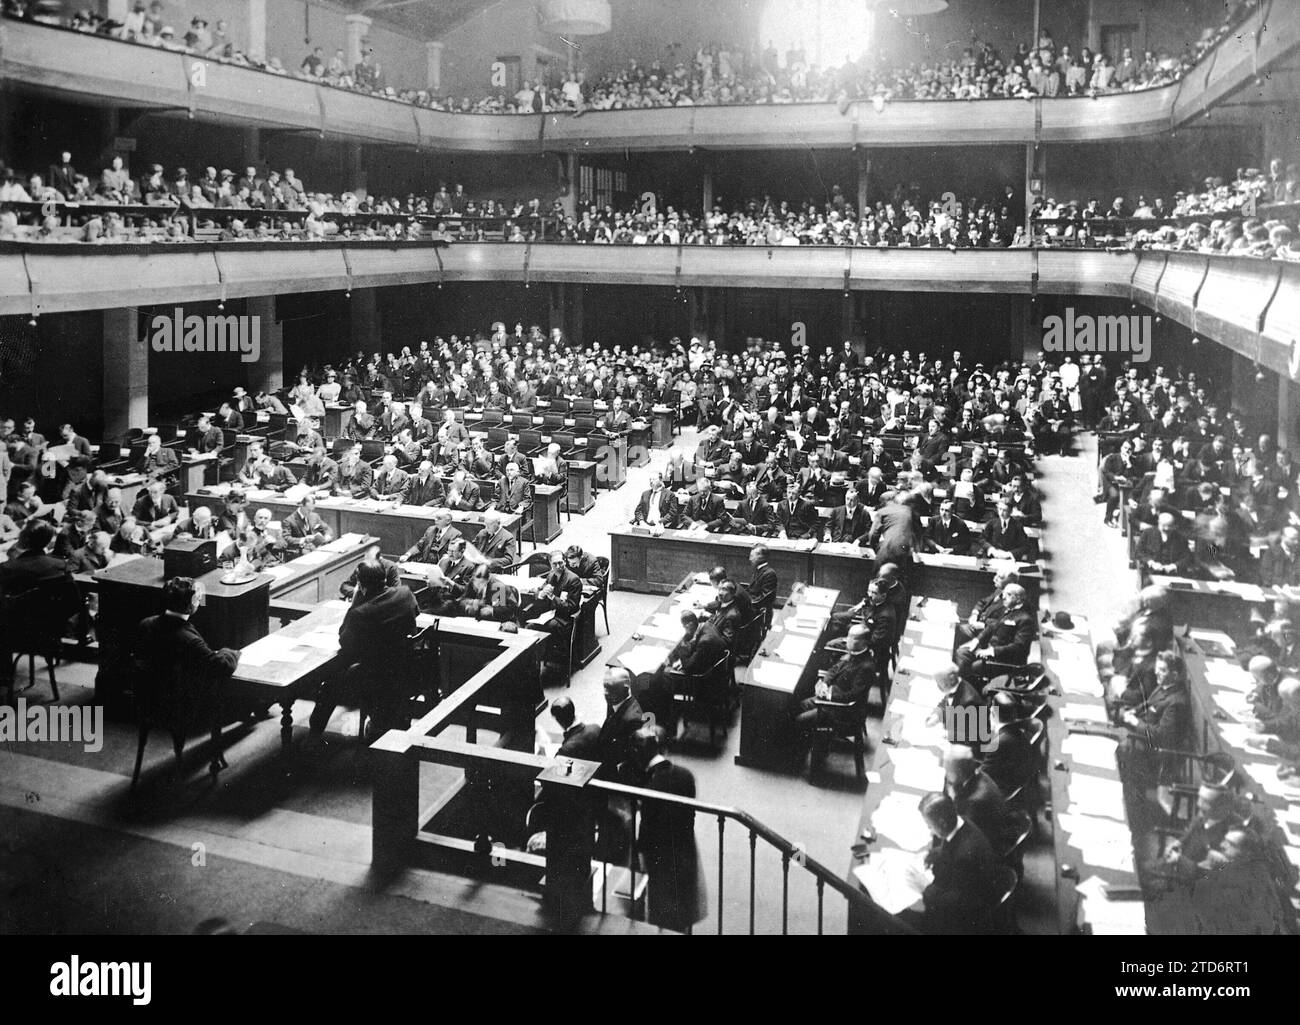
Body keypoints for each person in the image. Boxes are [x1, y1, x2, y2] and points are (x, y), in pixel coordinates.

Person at [129, 576, 240, 774]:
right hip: (181, 707)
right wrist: (230, 652)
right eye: (197, 598)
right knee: (223, 692)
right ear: (190, 605)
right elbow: (221, 666)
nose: (199, 600)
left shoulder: (146, 624)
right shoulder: (187, 638)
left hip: (146, 703)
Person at [306, 559, 420, 743]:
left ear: (361, 585)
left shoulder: (360, 613)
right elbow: (414, 614)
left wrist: (356, 599)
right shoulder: (405, 594)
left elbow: (344, 641)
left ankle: (314, 735)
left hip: (375, 677)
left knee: (331, 683)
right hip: (407, 668)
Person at [634, 725, 707, 932]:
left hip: (661, 859)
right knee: (685, 905)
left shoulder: (650, 788)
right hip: (686, 850)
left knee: (662, 911)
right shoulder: (686, 775)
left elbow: (647, 831)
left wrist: (642, 859)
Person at [917, 791, 1003, 935]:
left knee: (921, 919)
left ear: (942, 823)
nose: (929, 831)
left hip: (975, 908)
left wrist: (926, 890)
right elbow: (952, 844)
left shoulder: (964, 856)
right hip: (975, 883)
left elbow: (959, 899)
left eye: (930, 826)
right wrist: (936, 853)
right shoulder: (961, 821)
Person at [794, 624, 876, 732]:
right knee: (800, 705)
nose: (848, 640)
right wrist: (825, 684)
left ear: (865, 642)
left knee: (798, 720)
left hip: (843, 711)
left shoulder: (866, 667)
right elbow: (834, 669)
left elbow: (853, 696)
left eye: (853, 638)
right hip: (833, 697)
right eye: (848, 636)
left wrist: (828, 696)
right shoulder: (854, 652)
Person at [954, 582, 1036, 686]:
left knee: (972, 667)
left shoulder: (1025, 619)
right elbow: (992, 626)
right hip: (988, 650)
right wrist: (977, 640)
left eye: (1009, 595)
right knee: (962, 652)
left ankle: (968, 690)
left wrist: (992, 651)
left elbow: (1018, 647)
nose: (1004, 597)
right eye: (1004, 594)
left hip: (1002, 660)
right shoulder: (1008, 610)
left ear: (1018, 599)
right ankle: (960, 685)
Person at [943, 746, 1013, 854]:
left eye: (947, 771)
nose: (946, 775)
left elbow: (962, 838)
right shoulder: (980, 775)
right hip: (998, 833)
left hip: (989, 852)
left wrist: (954, 798)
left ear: (959, 773)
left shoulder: (974, 803)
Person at [597, 667, 644, 776]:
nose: (605, 693)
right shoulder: (615, 701)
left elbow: (625, 758)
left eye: (610, 688)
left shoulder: (632, 720)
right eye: (604, 687)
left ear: (625, 688)